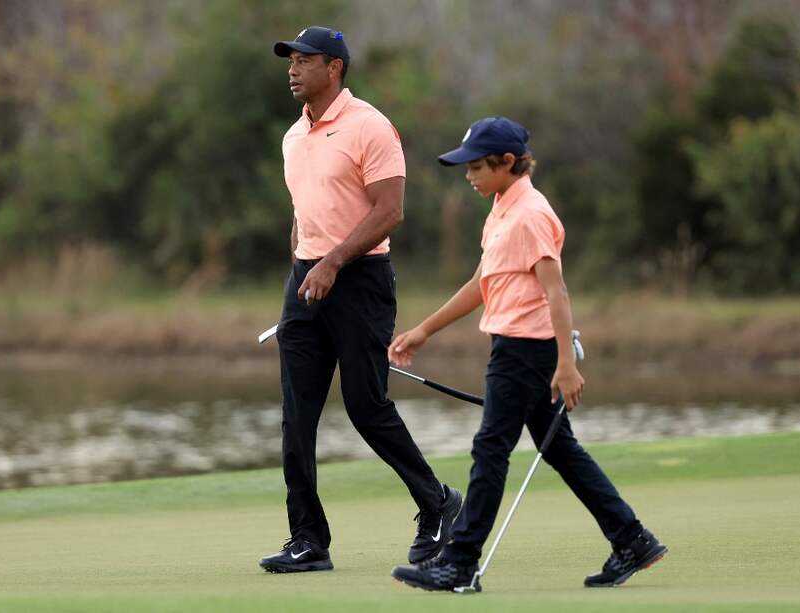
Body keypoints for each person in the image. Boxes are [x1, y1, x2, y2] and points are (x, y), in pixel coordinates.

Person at [388, 117, 667, 591]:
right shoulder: (501, 210)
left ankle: (460, 561)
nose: (469, 176)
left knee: (490, 450)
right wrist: (425, 330)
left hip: (525, 351)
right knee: (560, 449)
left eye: (477, 167)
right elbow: (483, 283)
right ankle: (632, 539)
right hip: (516, 346)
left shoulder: (531, 214)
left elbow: (555, 292)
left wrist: (566, 363)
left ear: (508, 163)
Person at [258, 26, 463, 574]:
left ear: (335, 68)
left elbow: (389, 210)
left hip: (361, 281)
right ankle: (308, 539)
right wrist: (304, 268)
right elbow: (306, 215)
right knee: (296, 415)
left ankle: (439, 503)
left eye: (304, 60)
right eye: (290, 60)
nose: (292, 69)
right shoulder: (292, 137)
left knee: (366, 407)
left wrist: (331, 262)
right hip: (306, 283)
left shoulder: (370, 126)